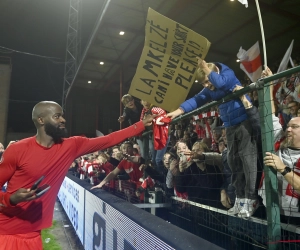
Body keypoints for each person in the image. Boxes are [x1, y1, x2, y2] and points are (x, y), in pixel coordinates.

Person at [0, 101, 154, 250]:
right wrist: (11, 199)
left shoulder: (71, 145)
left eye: (62, 116)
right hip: (6, 232)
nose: (63, 120)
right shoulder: (17, 150)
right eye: (57, 116)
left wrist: (140, 125)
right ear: (41, 120)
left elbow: (109, 139)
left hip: (33, 234)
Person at [167, 57, 259, 217]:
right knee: (233, 162)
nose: (207, 86)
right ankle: (240, 198)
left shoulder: (226, 73)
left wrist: (207, 71)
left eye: (207, 82)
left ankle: (251, 199)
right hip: (229, 126)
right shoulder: (210, 85)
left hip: (244, 122)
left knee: (247, 160)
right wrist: (179, 111)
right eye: (203, 84)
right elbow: (197, 99)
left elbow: (222, 83)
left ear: (214, 72)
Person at [259, 67, 300, 218]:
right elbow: (270, 114)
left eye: (294, 127)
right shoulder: (279, 138)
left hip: (293, 217)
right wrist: (269, 85)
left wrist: (282, 168)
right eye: (288, 126)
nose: (288, 129)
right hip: (269, 207)